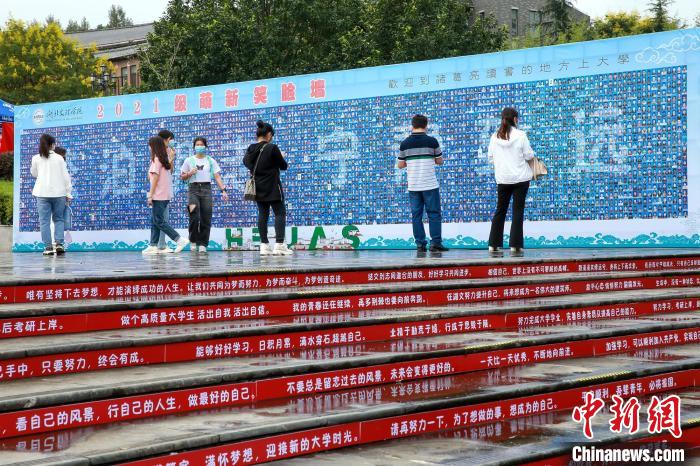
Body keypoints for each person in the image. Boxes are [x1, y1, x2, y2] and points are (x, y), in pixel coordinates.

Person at [487, 107, 534, 257]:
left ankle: (494, 244)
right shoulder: (521, 135)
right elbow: (528, 155)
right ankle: (516, 245)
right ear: (515, 119)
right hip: (521, 178)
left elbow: (490, 158)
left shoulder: (494, 136)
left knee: (500, 210)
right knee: (517, 211)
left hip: (503, 179)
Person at [397, 114, 448, 253]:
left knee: (416, 216)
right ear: (426, 125)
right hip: (430, 184)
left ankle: (420, 244)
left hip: (414, 186)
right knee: (434, 214)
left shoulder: (405, 143)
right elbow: (440, 161)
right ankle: (435, 243)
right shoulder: (432, 141)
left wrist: (411, 161)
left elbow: (400, 165)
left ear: (412, 125)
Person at [244, 120, 292, 255]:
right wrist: (280, 156)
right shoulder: (272, 148)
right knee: (280, 213)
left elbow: (246, 162)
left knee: (262, 214)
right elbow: (284, 166)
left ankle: (264, 245)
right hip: (273, 186)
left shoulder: (251, 148)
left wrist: (257, 168)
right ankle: (279, 245)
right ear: (269, 134)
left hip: (258, 187)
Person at [180, 137, 229, 252]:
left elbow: (217, 176)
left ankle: (203, 244)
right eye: (197, 145)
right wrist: (189, 173)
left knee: (206, 217)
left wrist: (223, 190)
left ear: (205, 146)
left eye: (201, 144)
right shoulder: (188, 160)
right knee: (194, 216)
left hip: (207, 190)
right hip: (193, 190)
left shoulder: (210, 161)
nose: (199, 146)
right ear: (194, 147)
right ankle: (193, 240)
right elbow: (182, 177)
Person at [143, 136, 188, 255]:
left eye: (150, 146)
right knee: (155, 220)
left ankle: (179, 240)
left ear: (154, 146)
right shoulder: (163, 160)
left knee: (159, 221)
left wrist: (150, 195)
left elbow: (154, 179)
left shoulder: (157, 160)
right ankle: (153, 245)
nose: (149, 148)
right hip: (164, 195)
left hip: (158, 195)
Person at [30, 134, 72, 255]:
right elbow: (66, 177)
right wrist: (68, 192)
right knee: (59, 219)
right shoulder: (59, 158)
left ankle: (48, 247)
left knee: (44, 221)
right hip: (59, 193)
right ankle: (59, 244)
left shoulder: (36, 158)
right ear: (53, 145)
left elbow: (34, 174)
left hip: (42, 193)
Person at [156, 129, 177, 253]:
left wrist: (172, 158)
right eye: (171, 139)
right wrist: (170, 159)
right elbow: (161, 169)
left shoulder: (169, 151)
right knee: (161, 218)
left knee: (163, 218)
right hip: (160, 188)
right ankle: (160, 245)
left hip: (166, 187)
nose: (172, 142)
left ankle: (160, 244)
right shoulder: (157, 152)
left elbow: (170, 170)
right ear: (168, 139)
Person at [53, 147, 73, 245]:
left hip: (49, 196)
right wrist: (68, 195)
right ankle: (57, 243)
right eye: (63, 157)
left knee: (53, 220)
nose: (64, 159)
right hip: (59, 196)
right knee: (58, 219)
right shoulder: (61, 165)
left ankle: (54, 244)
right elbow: (66, 181)